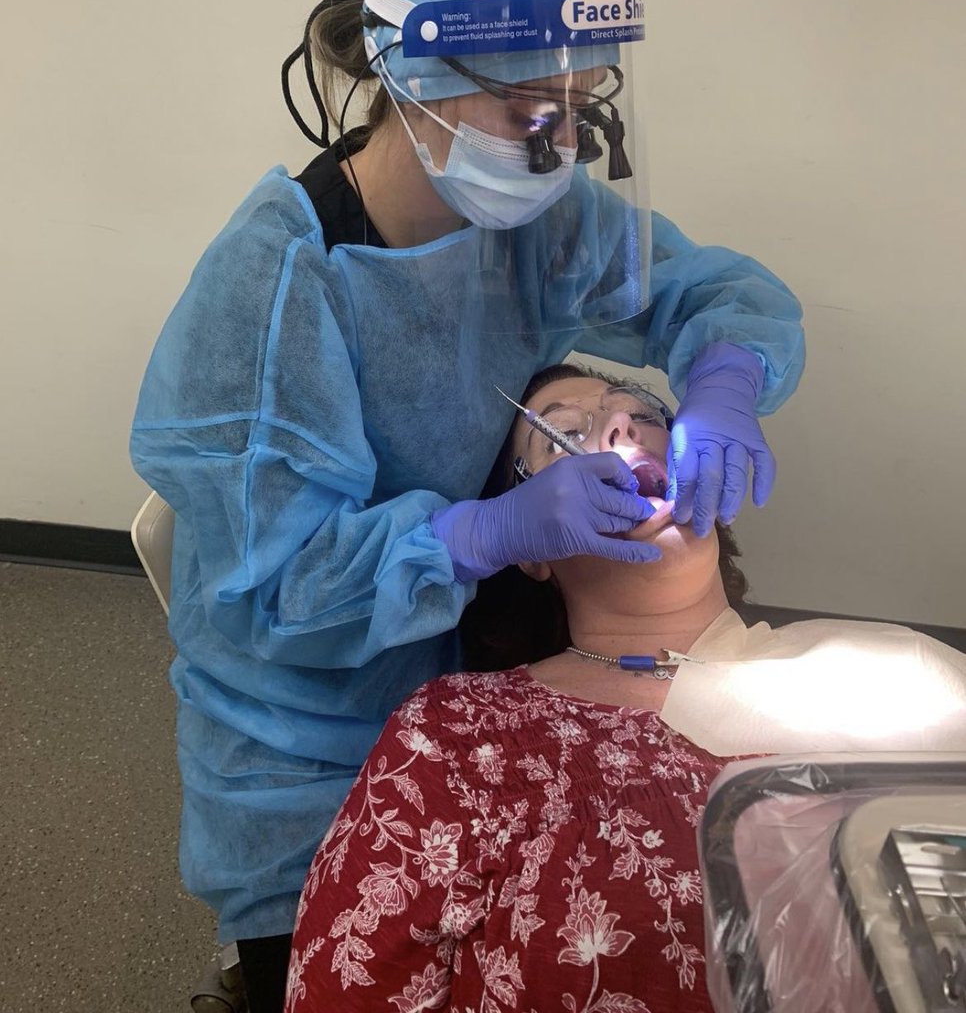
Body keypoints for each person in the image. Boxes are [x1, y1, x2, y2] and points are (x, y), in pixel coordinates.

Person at [130, 0, 805, 1011]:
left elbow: (706, 291)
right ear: (420, 82)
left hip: (452, 666)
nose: (562, 148)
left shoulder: (536, 215)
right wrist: (485, 532)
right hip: (299, 745)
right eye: (533, 114)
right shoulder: (277, 288)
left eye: (583, 110)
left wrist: (728, 378)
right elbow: (272, 591)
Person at [285, 363, 966, 1013]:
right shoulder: (457, 734)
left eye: (643, 414)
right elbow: (345, 989)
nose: (623, 429)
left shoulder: (896, 672)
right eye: (565, 433)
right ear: (532, 546)